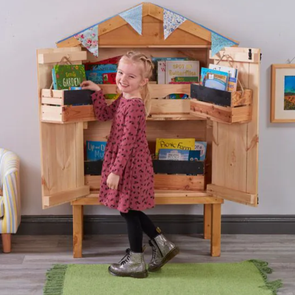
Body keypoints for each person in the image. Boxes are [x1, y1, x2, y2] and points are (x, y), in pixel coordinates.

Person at [81, 51, 179, 279]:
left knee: (128, 210)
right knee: (130, 210)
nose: (123, 79)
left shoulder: (134, 106)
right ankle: (161, 244)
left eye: (131, 76)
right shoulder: (123, 98)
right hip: (127, 164)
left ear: (143, 82)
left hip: (130, 166)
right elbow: (105, 114)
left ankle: (136, 259)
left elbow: (128, 142)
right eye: (120, 72)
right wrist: (97, 92)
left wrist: (115, 171)